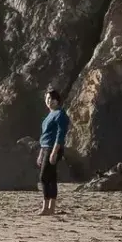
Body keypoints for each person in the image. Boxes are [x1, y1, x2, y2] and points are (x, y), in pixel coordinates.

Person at [38, 88, 70, 216]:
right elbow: (45, 135)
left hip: (53, 148)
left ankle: (47, 208)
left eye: (51, 99)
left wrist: (54, 152)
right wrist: (41, 153)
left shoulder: (60, 114)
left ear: (57, 100)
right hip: (46, 148)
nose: (49, 101)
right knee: (51, 178)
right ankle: (50, 208)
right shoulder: (49, 115)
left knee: (44, 177)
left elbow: (60, 135)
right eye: (47, 99)